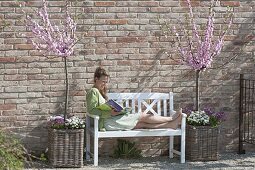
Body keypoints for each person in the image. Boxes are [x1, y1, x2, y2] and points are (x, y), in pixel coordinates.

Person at [86, 67, 182, 131]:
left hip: (110, 121)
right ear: (96, 79)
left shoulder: (100, 92)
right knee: (142, 116)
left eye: (106, 82)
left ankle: (170, 125)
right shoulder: (93, 91)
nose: (104, 84)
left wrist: (118, 110)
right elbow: (92, 110)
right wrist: (110, 113)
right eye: (103, 81)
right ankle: (171, 118)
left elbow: (102, 108)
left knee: (140, 125)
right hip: (106, 122)